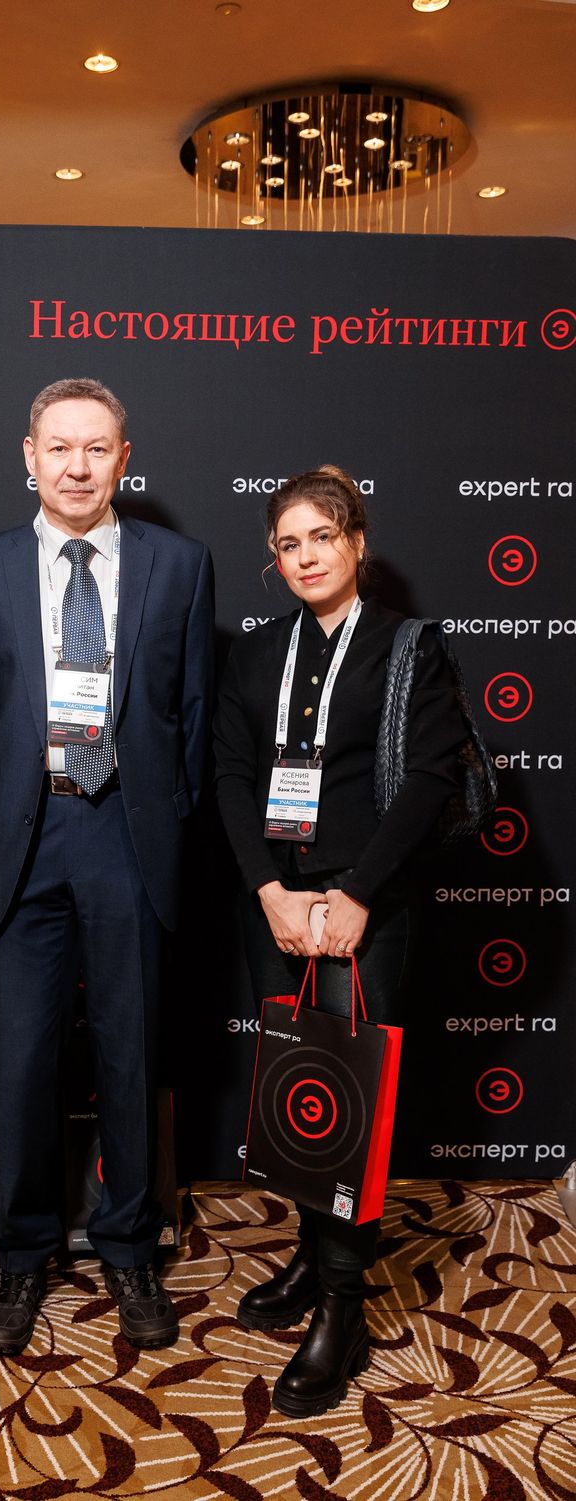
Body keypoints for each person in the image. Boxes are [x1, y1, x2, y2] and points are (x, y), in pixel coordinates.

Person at [0, 378, 214, 1355]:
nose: (78, 466)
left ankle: (130, 1244)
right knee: (21, 1060)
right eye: (59, 447)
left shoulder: (181, 566)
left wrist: (157, 821)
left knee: (131, 1055)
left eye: (97, 448)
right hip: (23, 838)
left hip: (127, 839)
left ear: (123, 458)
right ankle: (21, 1251)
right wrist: (5, 814)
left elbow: (191, 719)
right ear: (29, 456)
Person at [214, 464, 464, 1418]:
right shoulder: (256, 651)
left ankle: (343, 1307)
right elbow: (230, 774)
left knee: (351, 1100)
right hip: (277, 906)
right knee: (300, 1093)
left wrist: (357, 895)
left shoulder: (408, 646)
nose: (307, 555)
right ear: (274, 561)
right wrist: (270, 892)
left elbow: (432, 779)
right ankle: (310, 1255)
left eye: (323, 536)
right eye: (289, 543)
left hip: (368, 908)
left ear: (357, 543)